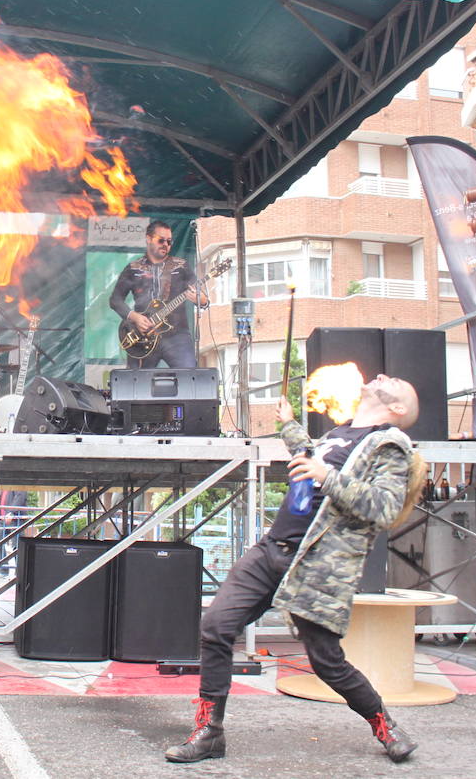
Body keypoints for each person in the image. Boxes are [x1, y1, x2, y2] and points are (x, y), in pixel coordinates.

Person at [165, 375, 423, 765]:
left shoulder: (391, 445)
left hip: (316, 564)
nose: (383, 376)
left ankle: (385, 725)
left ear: (398, 408)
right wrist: (289, 426)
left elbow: (383, 509)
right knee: (216, 627)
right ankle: (209, 733)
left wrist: (326, 477)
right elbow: (311, 458)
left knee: (326, 661)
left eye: (396, 382)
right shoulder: (341, 433)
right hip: (272, 549)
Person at [109, 219, 207, 369]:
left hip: (177, 336)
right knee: (136, 384)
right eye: (161, 240)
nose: (165, 245)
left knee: (189, 378)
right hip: (142, 336)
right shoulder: (134, 268)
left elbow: (203, 298)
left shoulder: (181, 266)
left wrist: (200, 299)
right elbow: (115, 300)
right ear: (149, 239)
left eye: (169, 241)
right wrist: (135, 317)